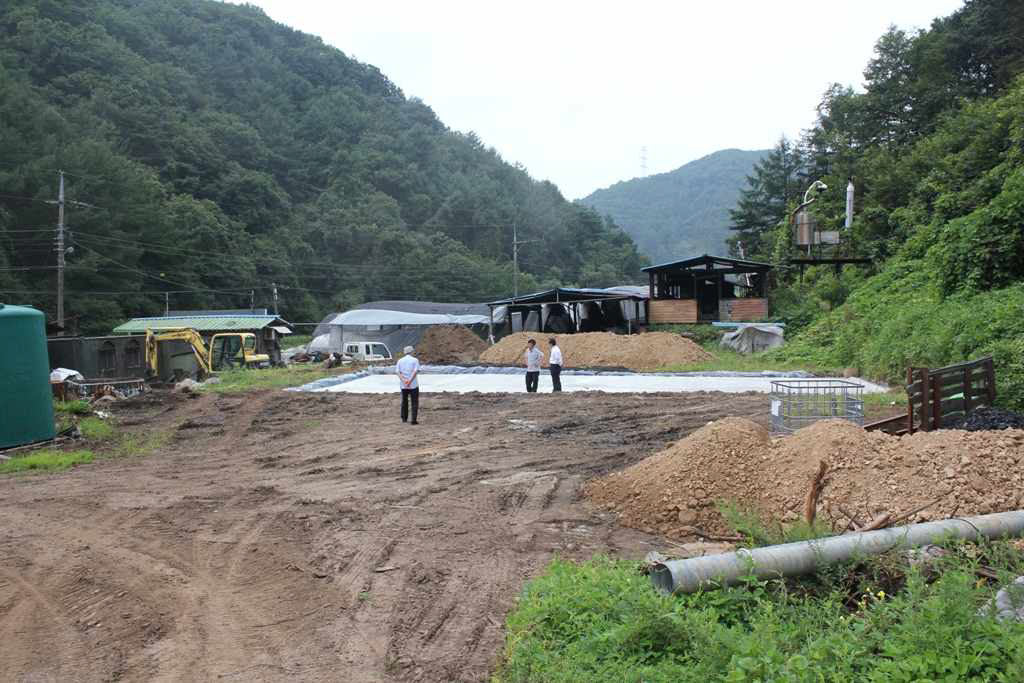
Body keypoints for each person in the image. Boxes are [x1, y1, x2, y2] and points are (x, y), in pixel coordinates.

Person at [396, 345, 420, 424]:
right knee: (414, 402)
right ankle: (413, 420)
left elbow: (398, 372)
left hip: (403, 385)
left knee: (404, 401)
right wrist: (409, 381)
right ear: (411, 352)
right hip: (413, 385)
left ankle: (404, 418)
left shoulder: (400, 360)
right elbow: (415, 371)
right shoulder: (415, 360)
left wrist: (404, 381)